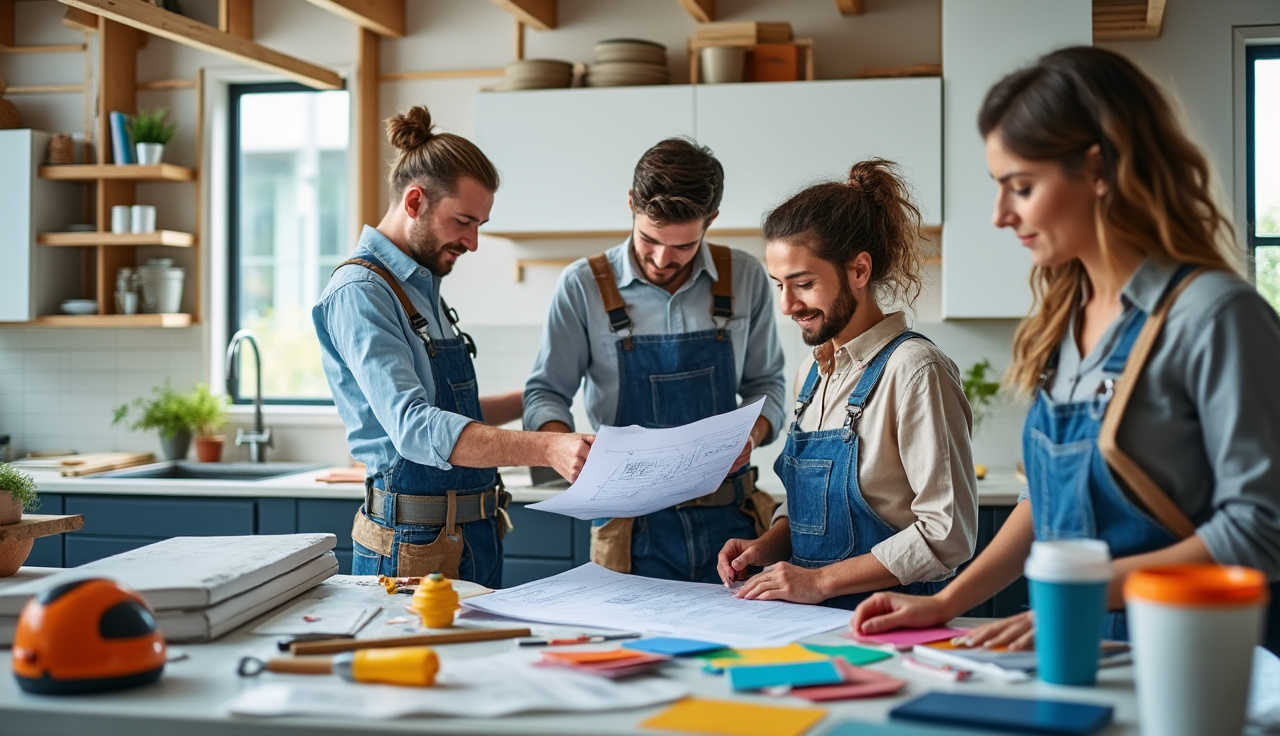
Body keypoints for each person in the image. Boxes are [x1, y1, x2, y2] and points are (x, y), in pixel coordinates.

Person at [851, 46, 1280, 655]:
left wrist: (1076, 598)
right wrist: (946, 603)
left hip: (1196, 658)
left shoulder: (1213, 316)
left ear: (1099, 170)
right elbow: (1044, 502)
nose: (1001, 215)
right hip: (1079, 646)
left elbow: (1260, 530)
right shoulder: (1066, 318)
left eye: (1020, 187)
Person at [314, 105, 593, 586]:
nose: (473, 242)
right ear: (415, 201)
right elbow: (417, 429)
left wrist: (537, 396)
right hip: (410, 544)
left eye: (480, 224)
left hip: (473, 533)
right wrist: (547, 447)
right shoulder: (361, 293)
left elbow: (449, 409)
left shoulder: (422, 288)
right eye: (464, 221)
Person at [714, 159, 979, 609]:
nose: (786, 305)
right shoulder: (811, 372)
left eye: (803, 284)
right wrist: (772, 544)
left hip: (888, 623)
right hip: (807, 622)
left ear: (859, 271)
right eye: (779, 284)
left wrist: (819, 582)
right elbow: (811, 511)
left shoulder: (915, 371)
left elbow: (947, 532)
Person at [522, 137, 787, 584]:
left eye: (683, 246)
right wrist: (558, 445)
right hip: (629, 531)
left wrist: (754, 432)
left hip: (733, 524)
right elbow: (545, 392)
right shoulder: (582, 286)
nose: (663, 259)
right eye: (649, 239)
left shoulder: (746, 277)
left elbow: (769, 385)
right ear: (630, 203)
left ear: (711, 220)